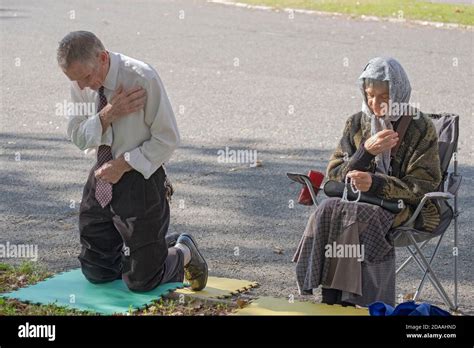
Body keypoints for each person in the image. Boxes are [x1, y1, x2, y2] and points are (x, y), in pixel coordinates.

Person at [57, 31, 207, 292]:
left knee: (142, 281)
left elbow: (167, 138)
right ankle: (146, 250)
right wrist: (107, 115)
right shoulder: (81, 84)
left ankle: (182, 250)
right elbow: (78, 137)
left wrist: (124, 164)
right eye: (74, 81)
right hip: (102, 174)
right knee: (97, 272)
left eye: (85, 78)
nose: (81, 87)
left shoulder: (141, 77)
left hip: (140, 175)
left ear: (103, 58)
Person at [293, 57, 442, 306]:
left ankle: (367, 303)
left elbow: (423, 185)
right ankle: (331, 299)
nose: (375, 104)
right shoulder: (356, 122)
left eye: (384, 97)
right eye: (370, 95)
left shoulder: (420, 127)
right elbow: (335, 175)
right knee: (327, 209)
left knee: (361, 217)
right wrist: (365, 153)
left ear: (399, 93)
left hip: (408, 208)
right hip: (359, 201)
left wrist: (376, 183)